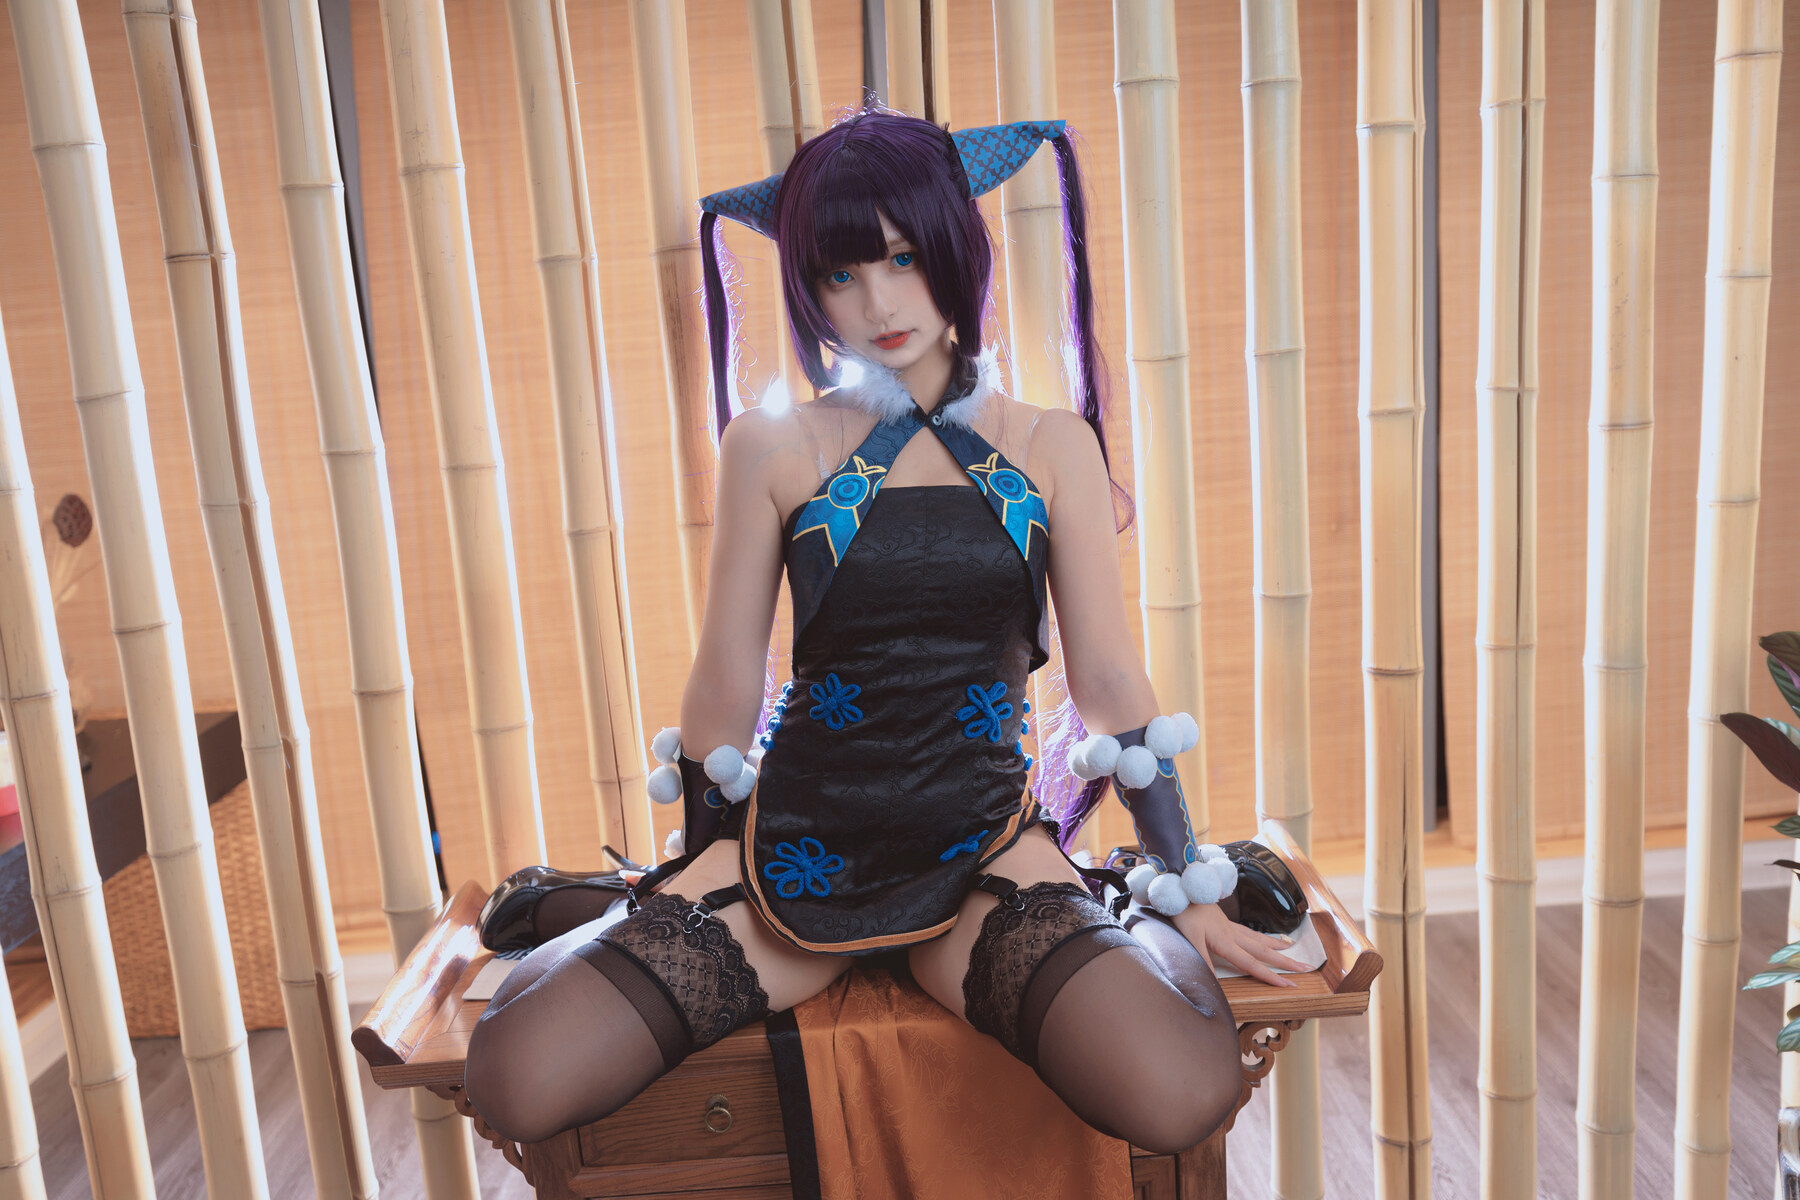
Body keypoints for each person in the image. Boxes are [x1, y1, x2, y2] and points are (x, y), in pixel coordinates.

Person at [462, 108, 1306, 1156]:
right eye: (840, 274)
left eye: (904, 258)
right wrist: (695, 876)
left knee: (1181, 1089)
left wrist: (1183, 882)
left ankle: (1121, 895)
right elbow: (724, 686)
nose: (878, 303)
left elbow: (1107, 679)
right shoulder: (770, 445)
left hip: (982, 859)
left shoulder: (1051, 446)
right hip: (796, 863)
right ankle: (610, 900)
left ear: (958, 246)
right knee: (514, 1076)